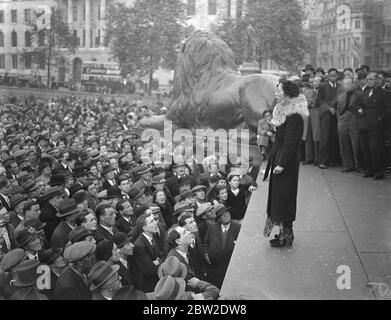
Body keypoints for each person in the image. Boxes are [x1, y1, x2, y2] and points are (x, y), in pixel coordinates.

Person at [263, 80, 308, 247]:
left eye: (278, 91)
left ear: (287, 94)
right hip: (279, 156)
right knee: (278, 197)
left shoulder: (294, 115)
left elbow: (291, 142)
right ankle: (282, 232)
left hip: (286, 161)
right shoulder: (282, 111)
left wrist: (281, 164)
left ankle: (286, 236)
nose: (276, 93)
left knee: (284, 198)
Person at [354, 72, 391, 180]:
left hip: (376, 125)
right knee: (365, 148)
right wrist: (359, 111)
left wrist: (380, 119)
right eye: (367, 79)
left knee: (376, 149)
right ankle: (369, 169)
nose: (368, 81)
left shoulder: (383, 93)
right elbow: (356, 105)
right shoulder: (365, 93)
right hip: (364, 124)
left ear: (377, 80)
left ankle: (379, 171)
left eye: (371, 79)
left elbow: (389, 108)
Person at [203, 204, 240, 289]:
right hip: (215, 266)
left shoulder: (238, 227)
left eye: (227, 212)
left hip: (230, 266)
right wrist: (206, 254)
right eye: (222, 215)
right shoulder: (212, 228)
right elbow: (205, 243)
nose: (226, 215)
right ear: (219, 219)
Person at [316, 68, 342, 169]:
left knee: (334, 138)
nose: (333, 77)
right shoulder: (323, 86)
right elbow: (319, 101)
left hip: (336, 115)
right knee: (324, 138)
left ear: (337, 76)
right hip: (326, 115)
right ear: (328, 76)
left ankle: (332, 160)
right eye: (331, 75)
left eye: (335, 75)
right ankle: (322, 161)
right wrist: (328, 108)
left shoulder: (340, 87)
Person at [336, 77, 362, 172]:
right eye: (346, 84)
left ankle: (358, 166)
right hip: (343, 120)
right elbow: (338, 109)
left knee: (356, 144)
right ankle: (347, 165)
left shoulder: (359, 94)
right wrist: (339, 120)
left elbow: (362, 107)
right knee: (343, 144)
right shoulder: (341, 96)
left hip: (354, 120)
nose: (348, 86)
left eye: (349, 83)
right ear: (343, 85)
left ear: (353, 84)